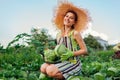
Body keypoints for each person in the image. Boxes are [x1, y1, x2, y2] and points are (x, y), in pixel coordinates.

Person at [40, 1, 90, 80]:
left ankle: (73, 76)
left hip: (72, 62)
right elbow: (58, 50)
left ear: (74, 22)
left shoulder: (75, 33)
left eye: (71, 18)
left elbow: (85, 50)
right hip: (62, 61)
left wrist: (71, 53)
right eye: (67, 16)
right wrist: (50, 54)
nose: (68, 19)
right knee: (43, 67)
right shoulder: (58, 35)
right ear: (64, 17)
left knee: (50, 70)